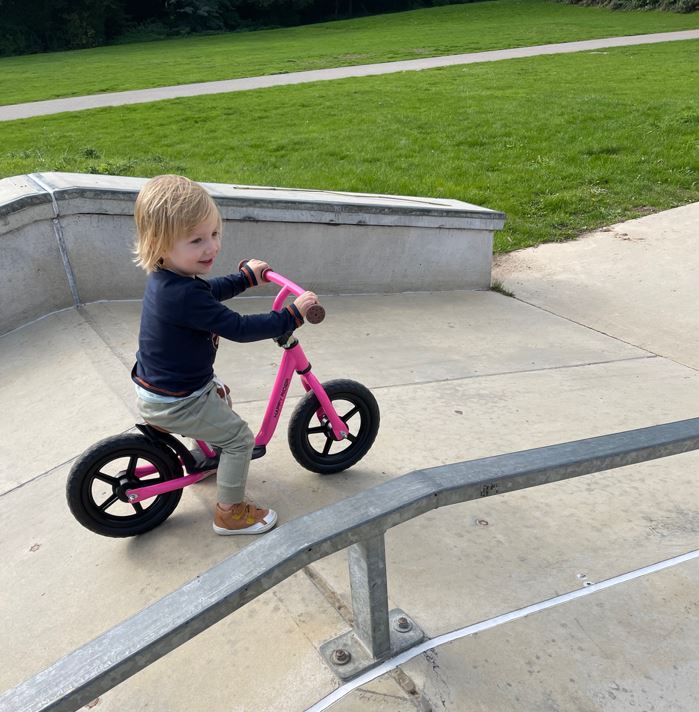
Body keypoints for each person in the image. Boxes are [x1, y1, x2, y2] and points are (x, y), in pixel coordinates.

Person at [131, 174, 317, 535]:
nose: (211, 247)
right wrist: (290, 316)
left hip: (163, 385)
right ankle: (230, 511)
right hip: (177, 399)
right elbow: (239, 328)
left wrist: (246, 278)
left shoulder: (169, 278)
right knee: (240, 439)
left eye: (214, 234)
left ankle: (210, 456)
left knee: (221, 393)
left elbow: (209, 290)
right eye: (197, 240)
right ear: (160, 244)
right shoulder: (183, 295)